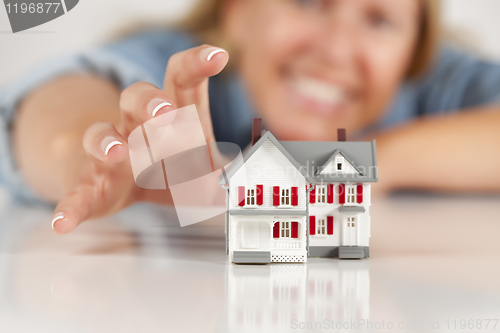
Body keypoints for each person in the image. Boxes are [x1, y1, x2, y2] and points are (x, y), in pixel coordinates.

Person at [0, 0, 499, 234]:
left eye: (380, 19)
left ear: (415, 51)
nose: (336, 49)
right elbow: (63, 97)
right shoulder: (183, 61)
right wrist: (95, 158)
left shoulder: (439, 80)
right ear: (238, 12)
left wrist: (350, 166)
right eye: (308, 2)